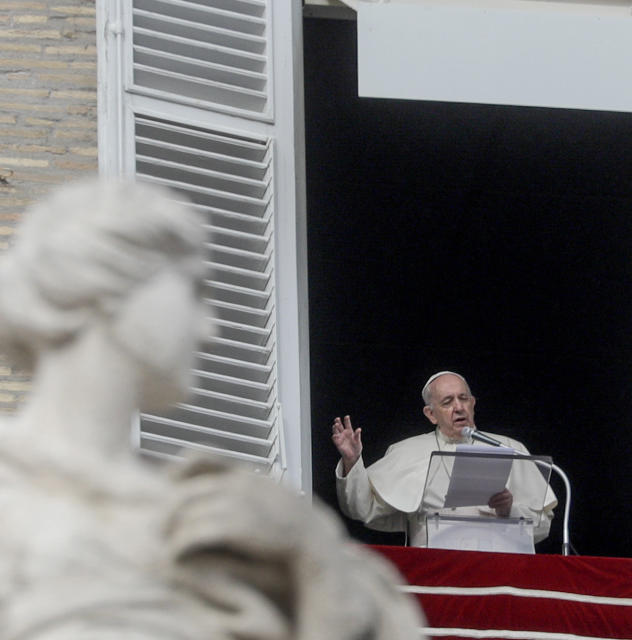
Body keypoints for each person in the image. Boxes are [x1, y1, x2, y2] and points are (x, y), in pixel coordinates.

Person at [0, 179, 423, 639]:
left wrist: (312, 551)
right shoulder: (13, 484)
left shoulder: (205, 512)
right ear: (105, 284)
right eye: (193, 290)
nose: (209, 328)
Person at [332, 371, 557, 548]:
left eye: (463, 398)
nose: (458, 407)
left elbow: (543, 524)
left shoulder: (510, 448)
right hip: (435, 573)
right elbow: (362, 509)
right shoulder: (407, 451)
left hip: (498, 571)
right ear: (431, 414)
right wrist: (352, 461)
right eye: (447, 402)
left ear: (473, 403)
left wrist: (509, 511)